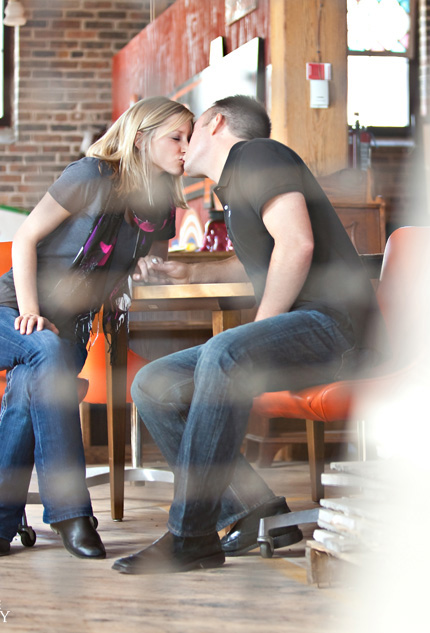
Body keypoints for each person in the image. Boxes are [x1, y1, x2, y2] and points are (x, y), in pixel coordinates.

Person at [112, 95, 384, 574]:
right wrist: (188, 272)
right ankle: (253, 509)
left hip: (338, 330)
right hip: (306, 332)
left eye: (190, 131)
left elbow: (296, 244)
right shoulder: (235, 184)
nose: (183, 144)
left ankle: (190, 536)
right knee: (152, 384)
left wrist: (255, 334)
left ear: (216, 123)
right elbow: (258, 259)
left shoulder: (257, 154)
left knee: (226, 353)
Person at [0, 96, 194, 558]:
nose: (186, 148)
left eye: (190, 138)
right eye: (176, 137)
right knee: (45, 350)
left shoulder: (162, 204)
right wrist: (30, 311)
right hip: (4, 316)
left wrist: (149, 267)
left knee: (33, 379)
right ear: (141, 138)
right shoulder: (90, 176)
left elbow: (151, 258)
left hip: (65, 334)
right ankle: (72, 515)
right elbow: (25, 238)